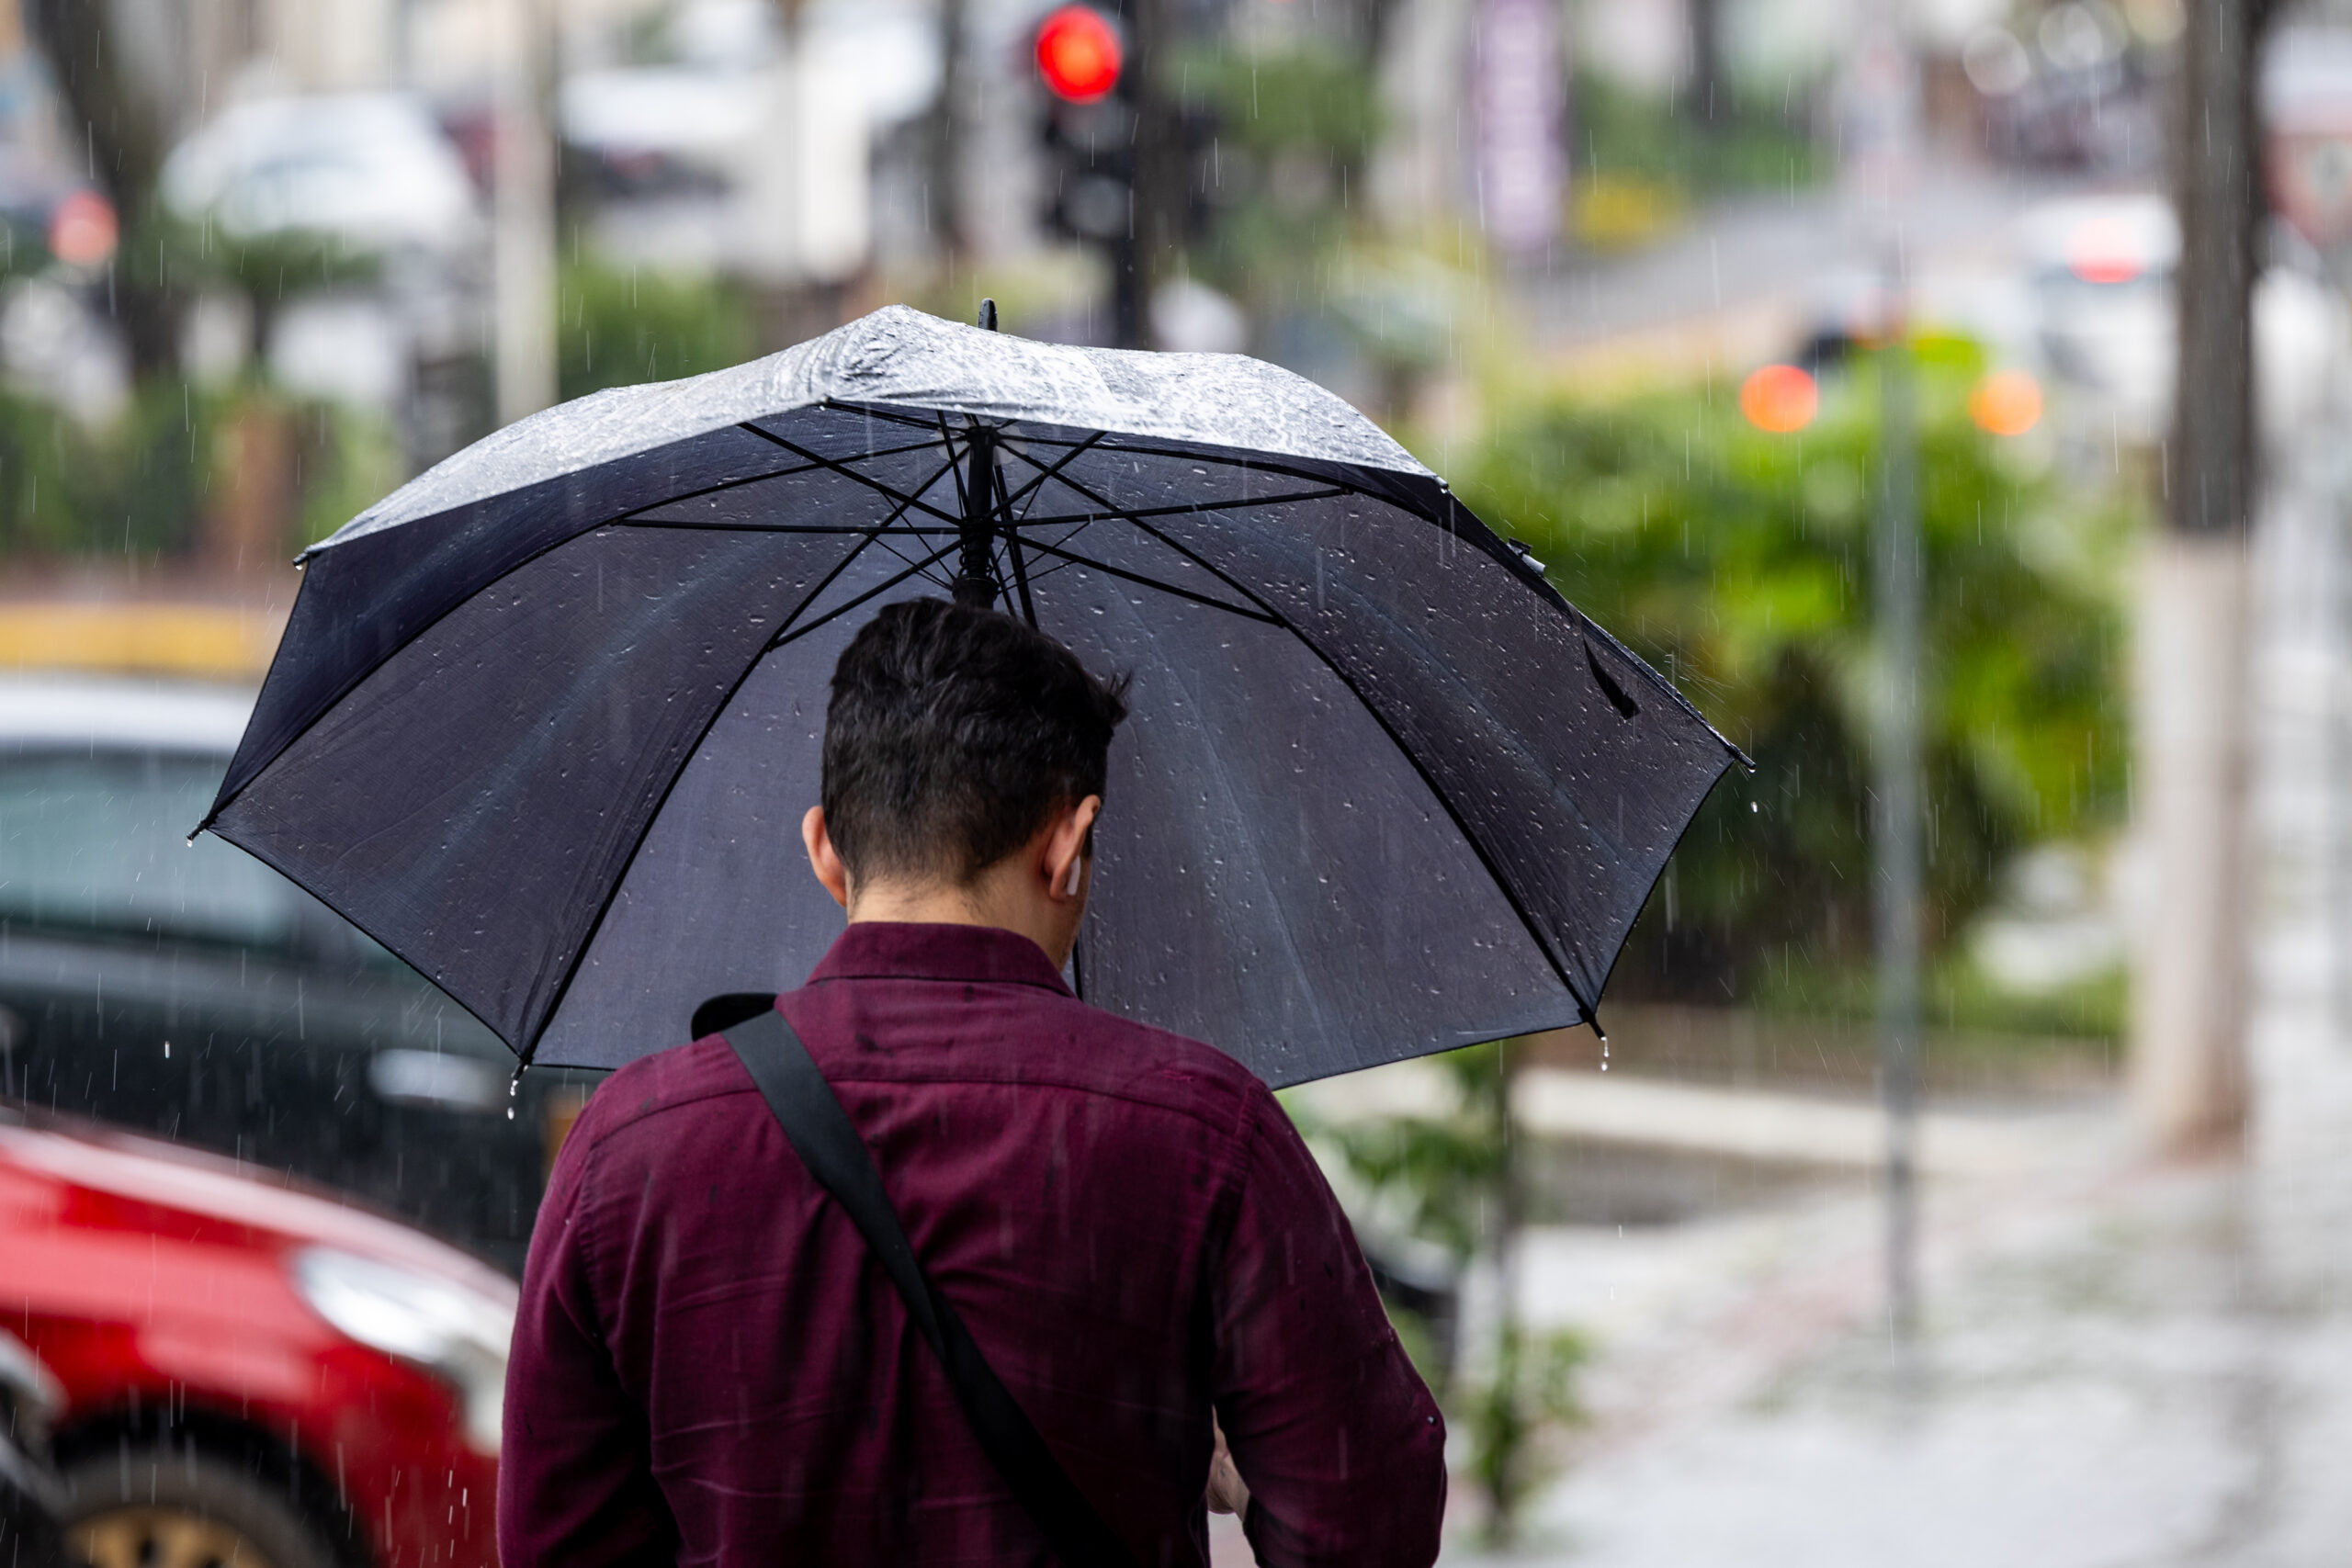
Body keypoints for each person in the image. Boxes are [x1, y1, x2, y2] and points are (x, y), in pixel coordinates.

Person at [499, 597, 1448, 1568]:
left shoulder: (628, 1147)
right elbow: (1368, 1528)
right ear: (1068, 843)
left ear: (825, 850)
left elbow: (555, 1545)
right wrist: (1234, 1476)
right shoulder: (1206, 1134)